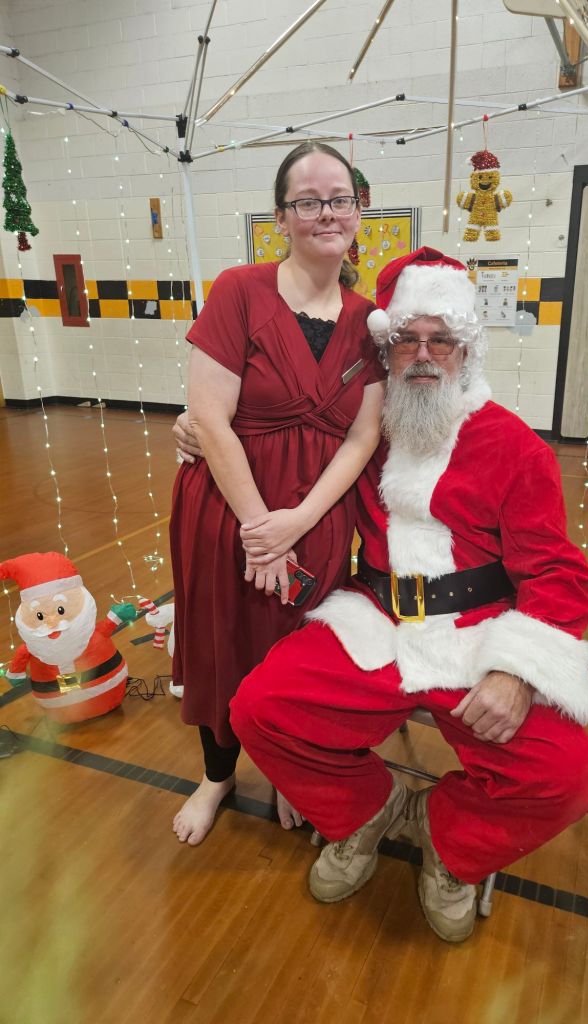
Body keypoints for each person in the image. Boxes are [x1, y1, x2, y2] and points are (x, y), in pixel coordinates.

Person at [229, 247, 588, 943]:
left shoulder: (517, 448)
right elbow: (269, 438)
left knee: (564, 777)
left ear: (467, 351)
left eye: (442, 340)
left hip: (476, 635)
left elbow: (555, 572)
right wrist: (194, 430)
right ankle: (366, 811)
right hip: (376, 621)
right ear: (387, 350)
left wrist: (517, 670)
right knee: (261, 708)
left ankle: (451, 842)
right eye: (408, 340)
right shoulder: (362, 435)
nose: (424, 355)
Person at [169, 141, 385, 845]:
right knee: (222, 641)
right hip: (228, 510)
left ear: (358, 211)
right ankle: (218, 776)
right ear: (281, 216)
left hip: (317, 518)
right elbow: (208, 418)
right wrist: (261, 529)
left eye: (340, 199)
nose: (327, 212)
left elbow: (361, 438)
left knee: (296, 654)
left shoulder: (369, 321)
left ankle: (291, 772)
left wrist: (298, 523)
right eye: (308, 201)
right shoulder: (240, 289)